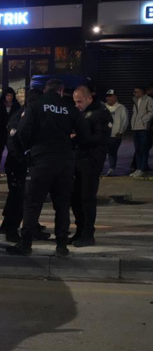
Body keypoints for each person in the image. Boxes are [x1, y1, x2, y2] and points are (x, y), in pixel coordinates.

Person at [7, 79, 90, 257]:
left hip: (41, 161)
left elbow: (23, 131)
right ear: (61, 91)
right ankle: (61, 245)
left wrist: (30, 151)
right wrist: (71, 146)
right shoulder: (70, 108)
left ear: (45, 90)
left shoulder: (36, 106)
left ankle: (26, 243)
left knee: (32, 204)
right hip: (64, 163)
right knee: (62, 205)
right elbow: (85, 135)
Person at [0, 89, 48, 243]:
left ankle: (28, 227)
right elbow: (13, 142)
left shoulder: (34, 115)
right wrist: (24, 159)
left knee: (28, 198)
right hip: (17, 164)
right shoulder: (20, 116)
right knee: (18, 198)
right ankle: (11, 229)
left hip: (28, 163)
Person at [70, 86, 112, 248]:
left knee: (87, 197)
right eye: (75, 102)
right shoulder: (82, 113)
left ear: (89, 98)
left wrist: (77, 137)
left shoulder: (101, 114)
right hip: (79, 159)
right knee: (75, 197)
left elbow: (100, 139)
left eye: (79, 101)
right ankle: (80, 231)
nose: (77, 105)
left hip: (91, 161)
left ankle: (88, 233)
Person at [0, 88, 21, 173]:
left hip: (11, 131)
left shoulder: (16, 105)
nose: (9, 97)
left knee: (11, 149)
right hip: (1, 130)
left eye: (11, 95)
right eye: (8, 95)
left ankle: (9, 166)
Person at [104, 89, 128, 176]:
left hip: (115, 135)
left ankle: (111, 169)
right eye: (107, 96)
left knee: (112, 153)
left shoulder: (121, 107)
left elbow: (125, 121)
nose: (108, 98)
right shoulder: (103, 107)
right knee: (101, 152)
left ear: (115, 97)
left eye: (111, 96)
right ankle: (100, 168)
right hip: (103, 135)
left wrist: (120, 132)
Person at [130, 86, 153, 177]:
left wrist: (143, 121)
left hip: (143, 128)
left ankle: (143, 169)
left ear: (142, 92)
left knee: (144, 149)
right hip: (136, 128)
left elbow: (151, 112)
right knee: (138, 149)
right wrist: (133, 124)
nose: (134, 93)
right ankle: (138, 168)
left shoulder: (149, 99)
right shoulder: (135, 100)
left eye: (136, 92)